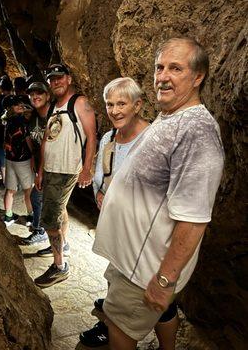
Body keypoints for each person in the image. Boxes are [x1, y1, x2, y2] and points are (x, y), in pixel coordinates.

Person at [91, 37, 225, 350]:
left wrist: (164, 280)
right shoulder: (171, 117)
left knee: (120, 334)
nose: (162, 76)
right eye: (159, 67)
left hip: (145, 270)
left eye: (175, 68)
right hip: (132, 260)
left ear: (197, 77)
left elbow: (193, 219)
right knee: (125, 319)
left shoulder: (197, 132)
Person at [80, 77, 179, 349]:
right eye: (110, 104)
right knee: (116, 280)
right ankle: (107, 323)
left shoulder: (154, 140)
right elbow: (103, 176)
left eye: (122, 103)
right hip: (118, 229)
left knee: (157, 295)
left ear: (137, 105)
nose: (115, 110)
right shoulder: (109, 138)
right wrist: (100, 193)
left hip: (149, 235)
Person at [34, 63, 96, 287]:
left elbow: (92, 137)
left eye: (60, 78)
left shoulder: (79, 102)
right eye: (52, 79)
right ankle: (63, 244)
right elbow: (46, 139)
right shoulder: (53, 107)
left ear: (69, 79)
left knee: (49, 218)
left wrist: (87, 169)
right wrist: (40, 170)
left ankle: (59, 266)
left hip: (66, 169)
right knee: (59, 211)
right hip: (51, 168)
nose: (55, 82)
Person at [21, 81, 51, 243]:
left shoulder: (54, 115)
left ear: (48, 96)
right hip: (41, 164)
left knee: (37, 197)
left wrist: (41, 171)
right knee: (39, 198)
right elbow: (30, 138)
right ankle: (45, 231)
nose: (35, 96)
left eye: (39, 93)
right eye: (32, 94)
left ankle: (41, 231)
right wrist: (33, 156)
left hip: (52, 166)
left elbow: (50, 147)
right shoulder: (33, 116)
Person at [2, 95, 34, 226]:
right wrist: (34, 155)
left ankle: (8, 216)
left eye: (21, 104)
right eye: (17, 105)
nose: (20, 106)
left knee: (10, 190)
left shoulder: (7, 121)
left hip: (10, 159)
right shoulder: (22, 122)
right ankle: (31, 216)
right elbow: (28, 140)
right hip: (23, 160)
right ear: (11, 108)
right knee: (28, 190)